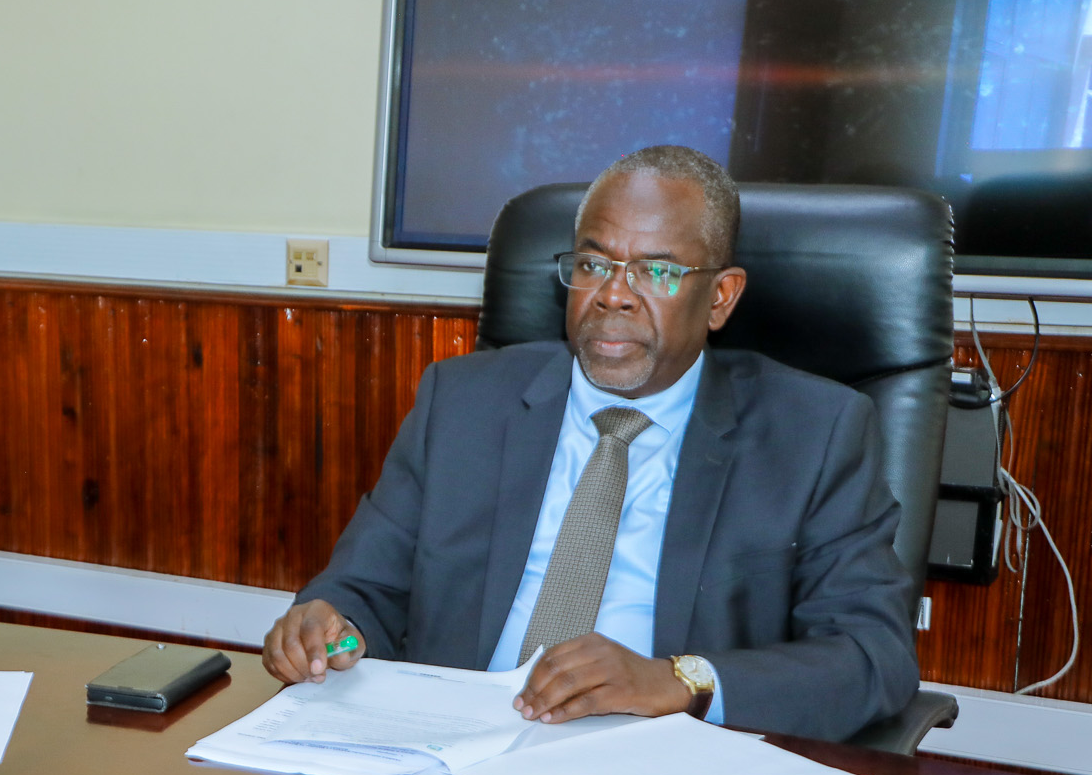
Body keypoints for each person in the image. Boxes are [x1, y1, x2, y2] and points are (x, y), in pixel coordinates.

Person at [261, 146, 918, 741]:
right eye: (593, 264)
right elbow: (361, 589)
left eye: (656, 271)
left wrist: (678, 679)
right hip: (451, 755)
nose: (613, 295)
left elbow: (873, 655)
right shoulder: (462, 403)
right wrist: (328, 626)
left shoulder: (814, 432)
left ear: (721, 297)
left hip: (660, 765)